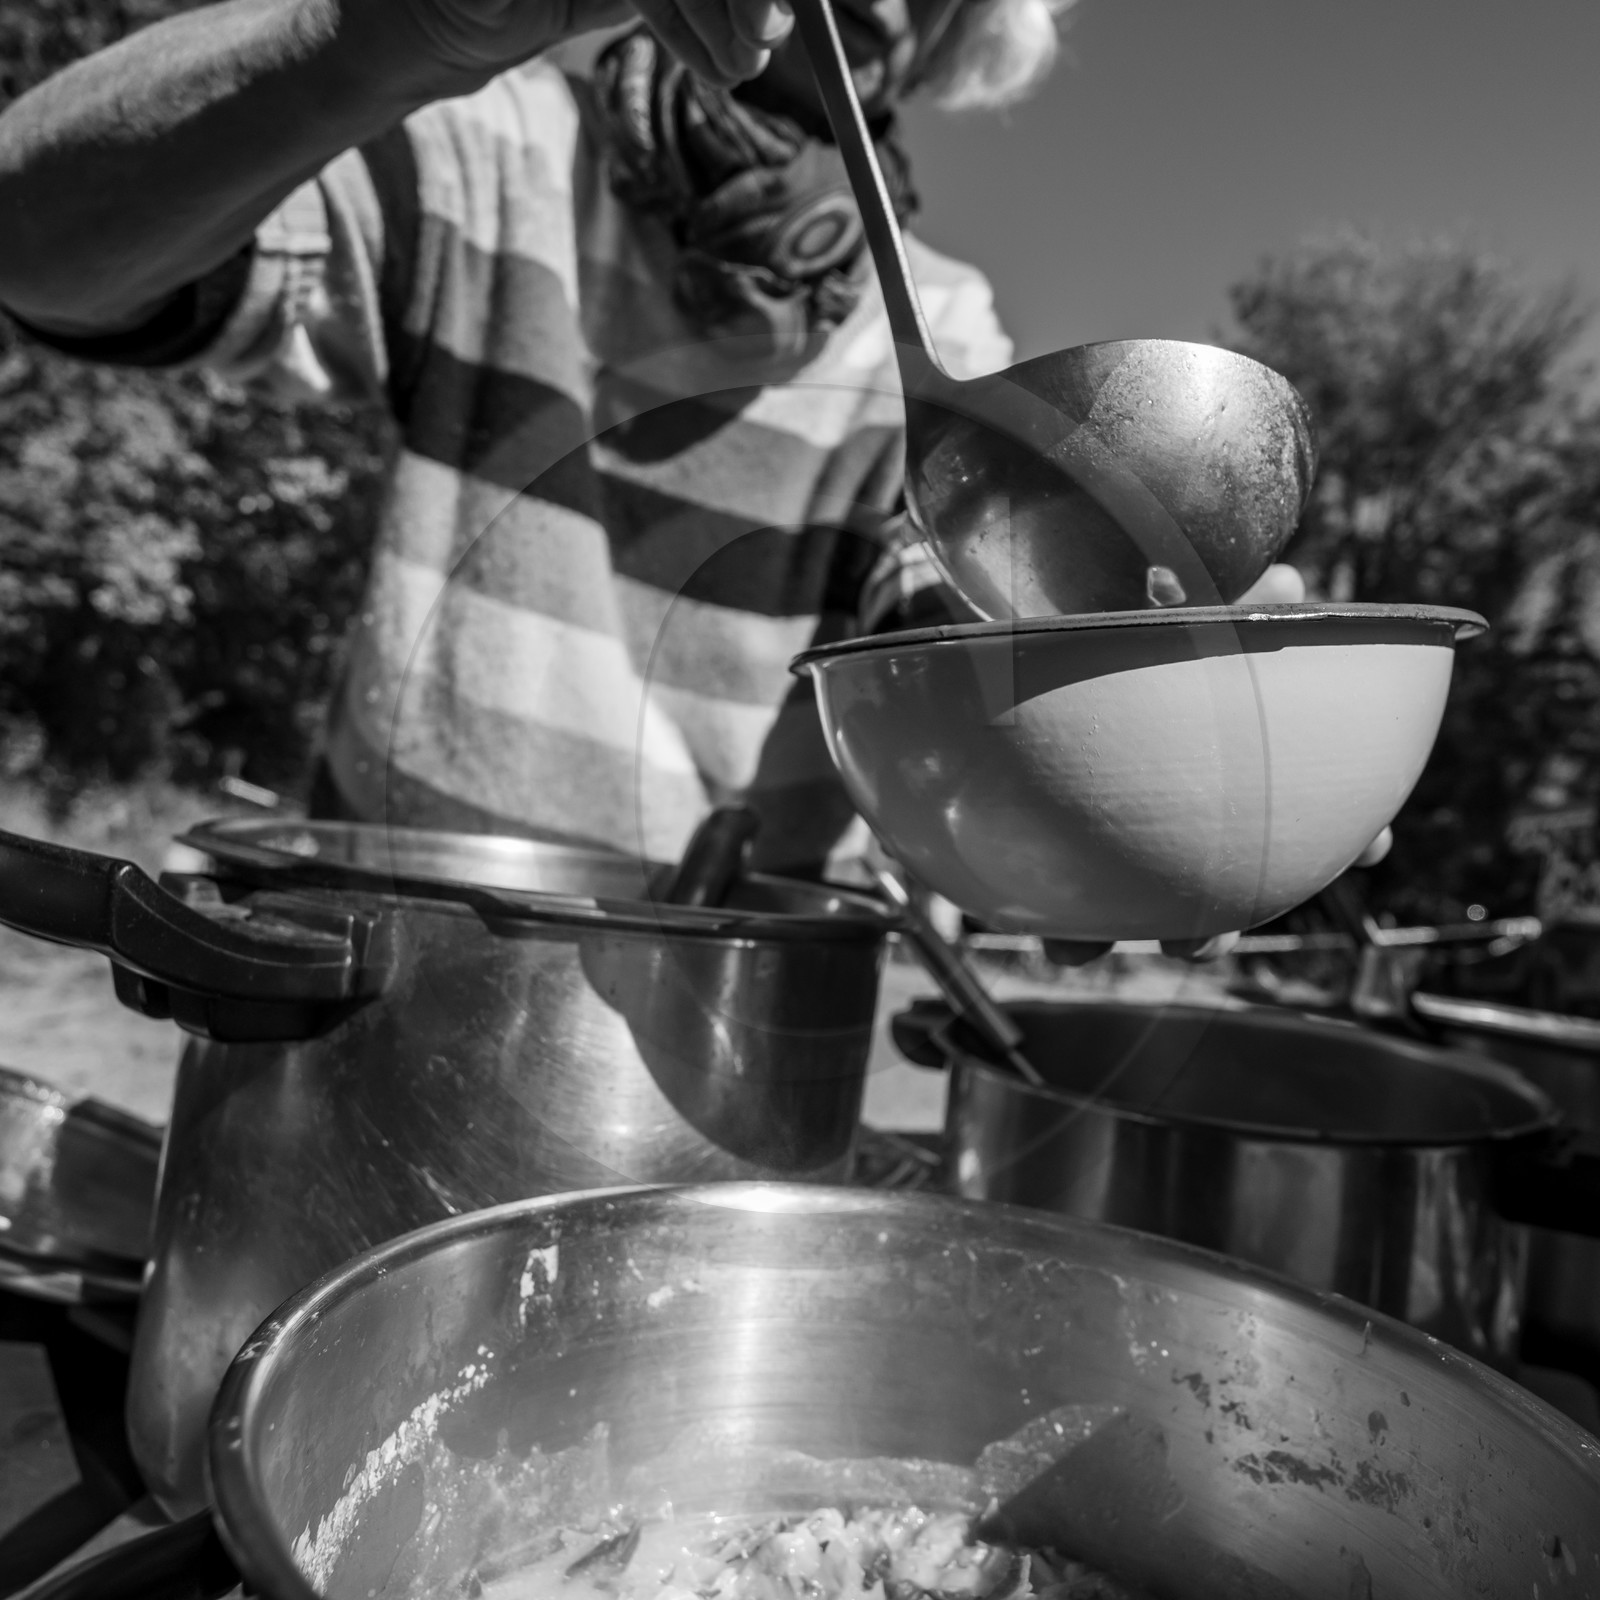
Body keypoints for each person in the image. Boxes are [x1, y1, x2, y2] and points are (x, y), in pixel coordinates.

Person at [0, 0, 1077, 872]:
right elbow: (39, 256)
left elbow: (957, 631)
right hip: (356, 995)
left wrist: (1092, 770)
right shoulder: (495, 146)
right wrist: (380, 38)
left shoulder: (944, 338)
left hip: (733, 1044)